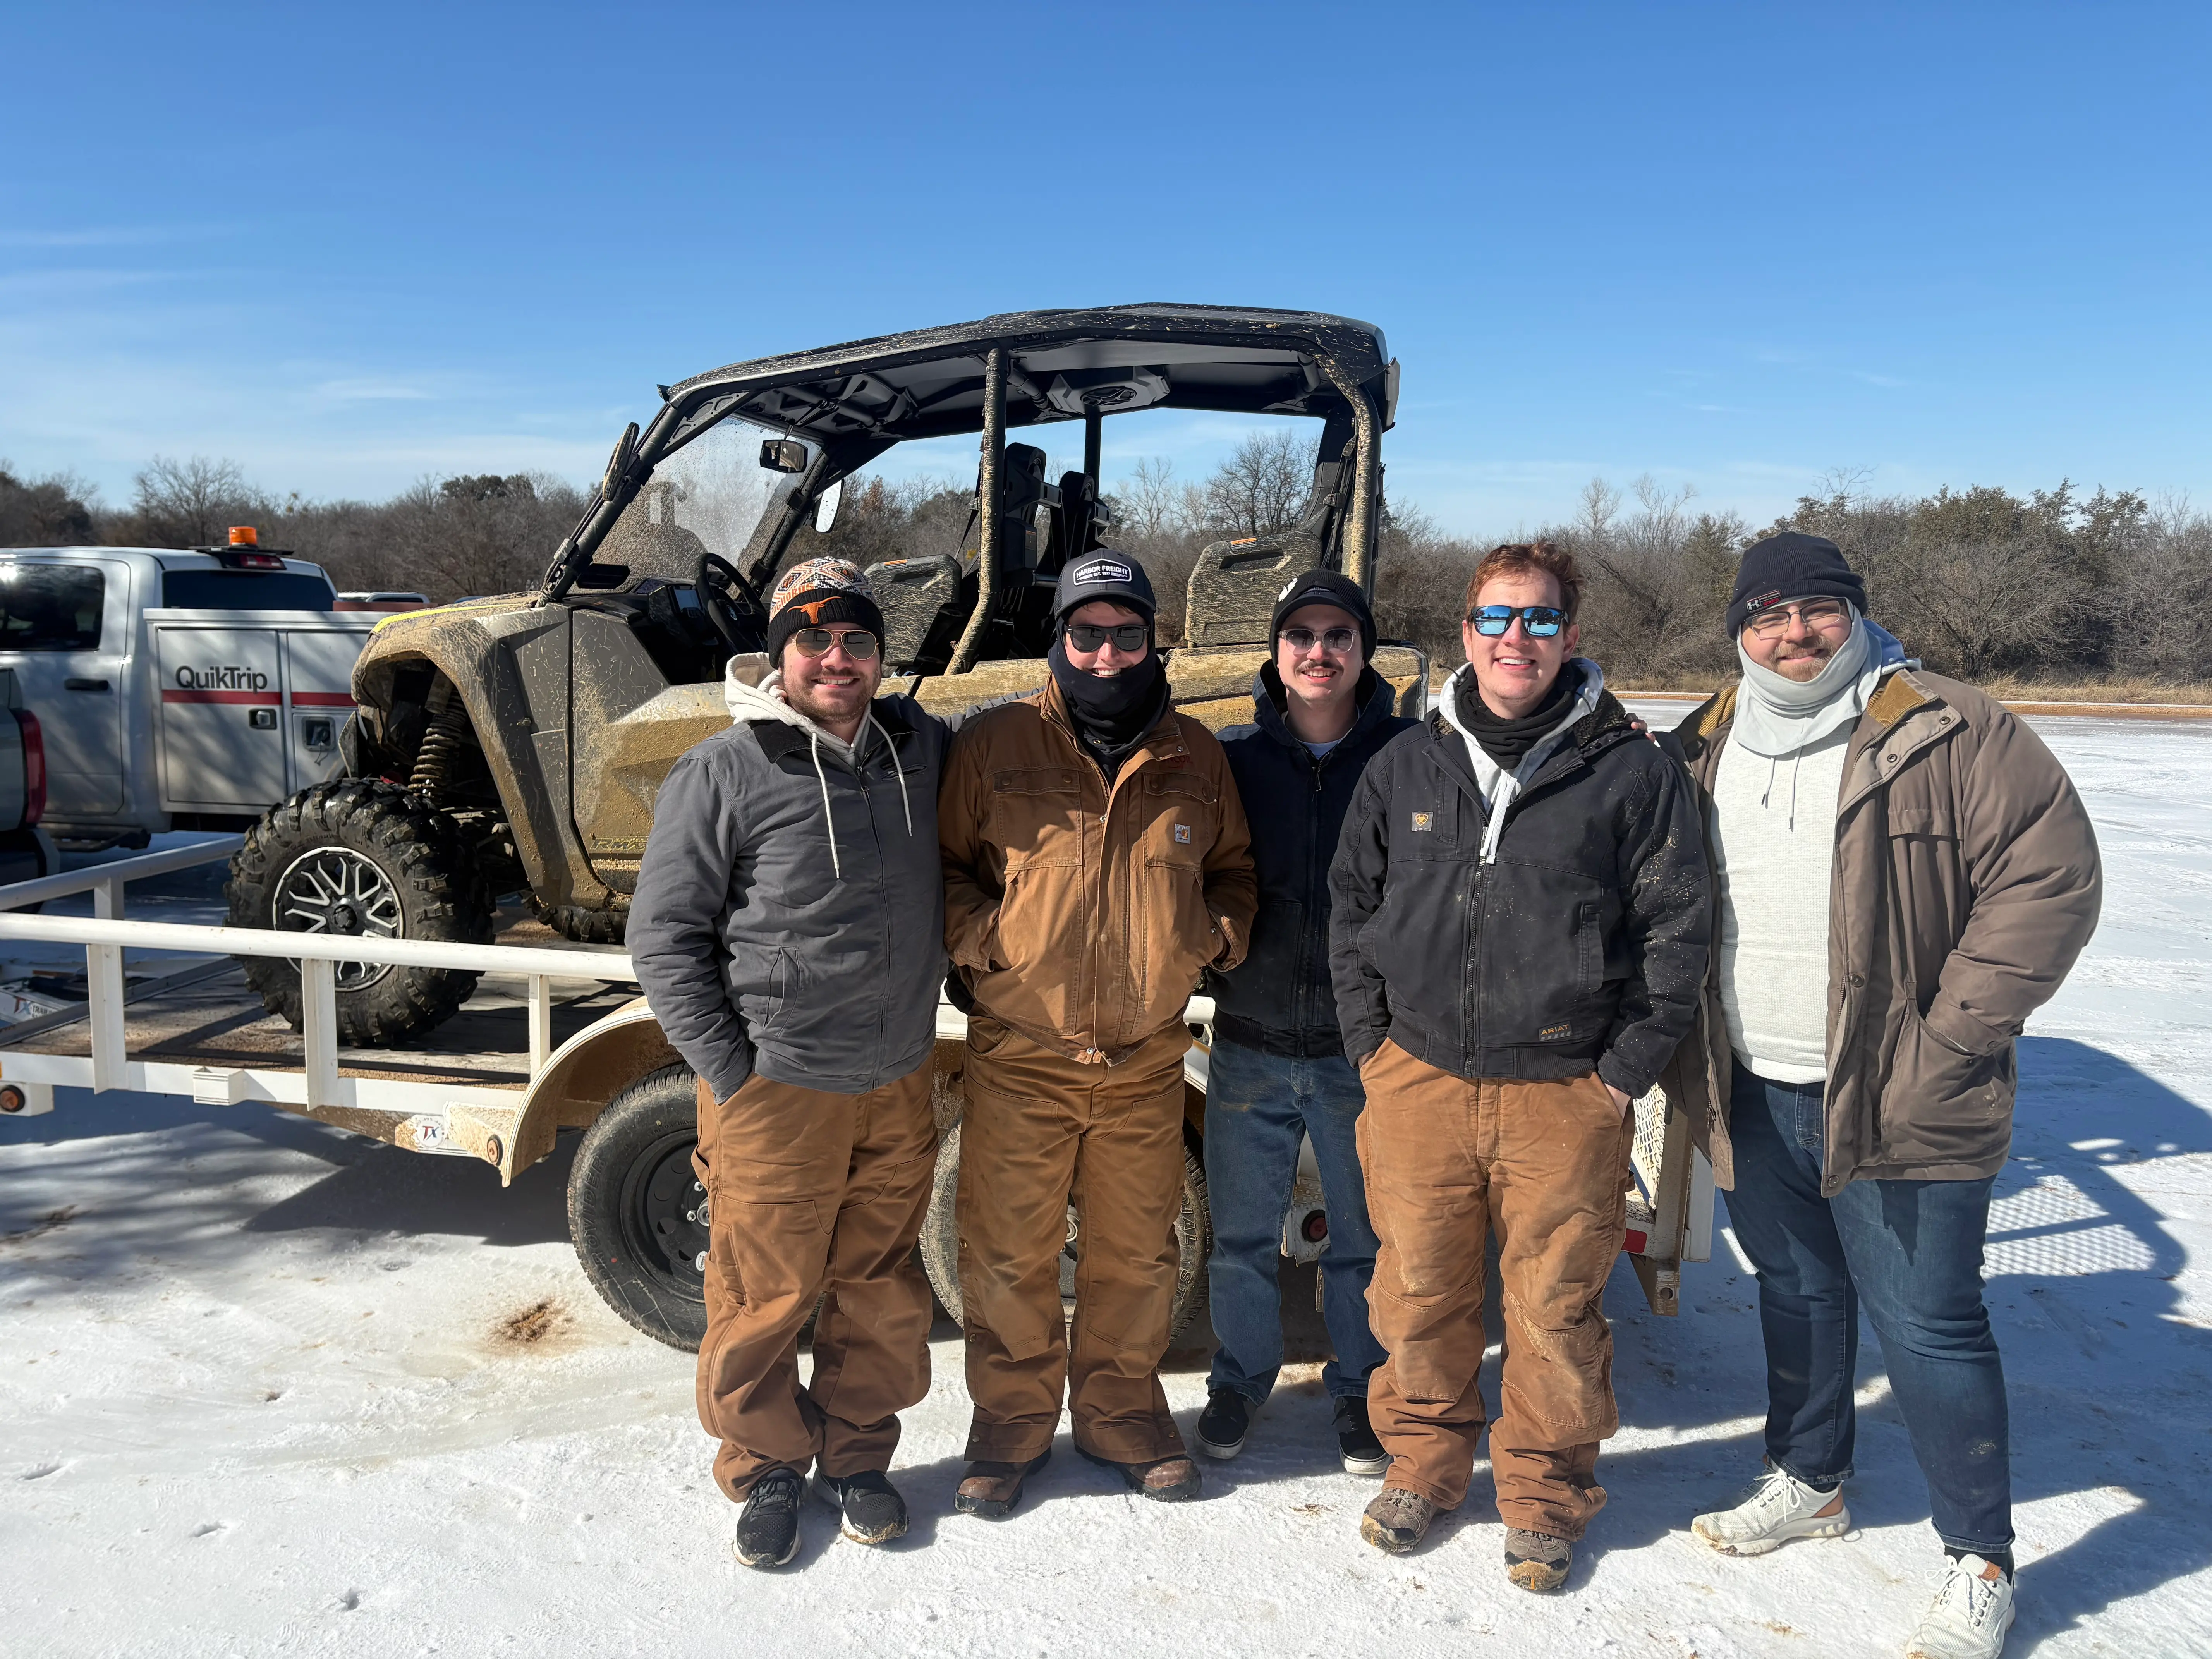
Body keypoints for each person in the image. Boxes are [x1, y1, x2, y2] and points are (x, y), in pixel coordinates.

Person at [1667, 533, 2100, 1659]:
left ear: (1853, 613)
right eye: (1765, 616)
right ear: (1740, 633)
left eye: (1814, 609)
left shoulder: (1949, 727)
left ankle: (1979, 1558)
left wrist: (1952, 1037)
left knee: (1931, 1324)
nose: (1791, 633)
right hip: (1752, 1076)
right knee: (1798, 1293)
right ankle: (1810, 1476)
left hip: (1905, 1093)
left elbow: (2048, 878)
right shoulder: (1707, 738)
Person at [1329, 540, 1709, 1592]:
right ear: (1466, 632)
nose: (1516, 640)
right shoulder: (1408, 759)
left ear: (1570, 636)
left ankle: (1542, 1491)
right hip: (1419, 1079)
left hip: (1565, 1089)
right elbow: (1351, 908)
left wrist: (1623, 1069)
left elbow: (1679, 929)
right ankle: (1425, 1462)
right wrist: (1374, 1047)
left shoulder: (1631, 768)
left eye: (1539, 620)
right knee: (1415, 1293)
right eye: (1497, 619)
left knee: (1553, 1306)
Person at [629, 557, 950, 1570]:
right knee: (763, 1290)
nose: (837, 659)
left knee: (880, 1284)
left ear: (880, 654)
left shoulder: (919, 750)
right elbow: (664, 937)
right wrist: (735, 1070)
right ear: (779, 656)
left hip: (898, 1076)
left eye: (857, 640)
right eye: (813, 640)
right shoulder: (724, 769)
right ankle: (765, 1463)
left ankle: (858, 1453)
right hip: (778, 1086)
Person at [938, 550, 1258, 1517]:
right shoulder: (995, 745)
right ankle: (1011, 1424)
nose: (1108, 652)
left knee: (1136, 1254)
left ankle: (1123, 1416)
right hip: (1022, 1056)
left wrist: (1207, 937)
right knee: (1005, 1254)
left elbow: (1236, 873)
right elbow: (948, 871)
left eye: (1128, 633)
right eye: (1089, 632)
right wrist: (986, 937)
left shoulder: (1196, 757)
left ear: (1153, 640)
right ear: (1060, 641)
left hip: (1144, 1060)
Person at [1193, 570, 1411, 1473]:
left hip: (1361, 1051)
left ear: (1363, 652)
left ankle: (1360, 1390)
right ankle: (1240, 1380)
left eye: (1338, 635)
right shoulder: (1232, 760)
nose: (1319, 652)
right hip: (1247, 1041)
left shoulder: (1409, 757)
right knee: (1241, 1239)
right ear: (1275, 656)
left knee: (1362, 1243)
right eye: (1301, 637)